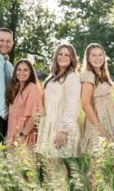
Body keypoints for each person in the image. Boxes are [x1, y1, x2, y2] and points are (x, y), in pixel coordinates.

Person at [36, 43, 81, 189]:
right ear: (56, 56)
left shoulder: (72, 76)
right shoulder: (53, 76)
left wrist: (63, 131)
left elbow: (72, 105)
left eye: (67, 54)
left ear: (72, 58)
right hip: (49, 124)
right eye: (60, 54)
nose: (63, 57)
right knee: (49, 166)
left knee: (58, 166)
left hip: (61, 127)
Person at [81, 43, 114, 153]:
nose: (98, 58)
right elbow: (85, 103)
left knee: (111, 158)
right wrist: (98, 128)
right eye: (94, 55)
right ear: (88, 58)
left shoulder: (103, 73)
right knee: (100, 156)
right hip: (97, 120)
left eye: (100, 55)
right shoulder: (88, 75)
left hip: (108, 120)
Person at [6, 59, 43, 149]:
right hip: (12, 131)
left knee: (24, 161)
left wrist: (21, 136)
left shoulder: (32, 88)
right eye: (19, 69)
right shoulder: (15, 88)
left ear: (30, 72)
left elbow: (35, 115)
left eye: (25, 70)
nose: (21, 72)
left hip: (24, 133)